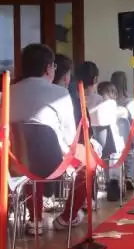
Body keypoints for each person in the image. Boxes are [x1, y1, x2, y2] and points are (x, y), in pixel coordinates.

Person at [9, 44, 86, 235]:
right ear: (48, 67)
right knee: (88, 163)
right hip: (53, 163)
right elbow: (70, 138)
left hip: (16, 163)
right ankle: (67, 217)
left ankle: (35, 219)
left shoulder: (8, 92)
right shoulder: (59, 93)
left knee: (29, 167)